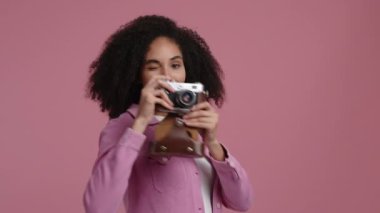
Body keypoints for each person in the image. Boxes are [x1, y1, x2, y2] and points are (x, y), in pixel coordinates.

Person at [83, 15, 253, 213]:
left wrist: (213, 144)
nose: (167, 75)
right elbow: (98, 207)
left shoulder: (194, 122)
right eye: (153, 67)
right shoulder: (125, 125)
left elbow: (242, 203)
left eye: (175, 65)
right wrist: (140, 124)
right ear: (137, 75)